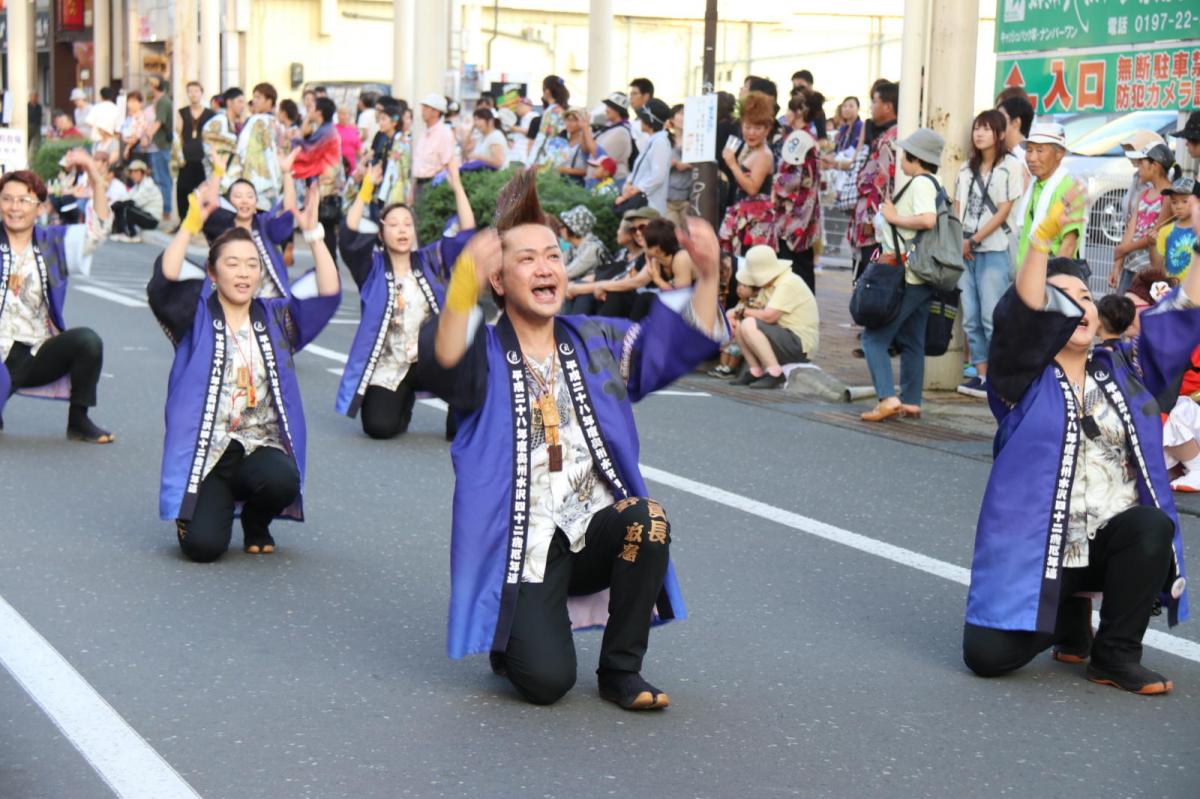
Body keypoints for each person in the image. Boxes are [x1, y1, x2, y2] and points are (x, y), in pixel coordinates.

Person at [417, 168, 724, 710]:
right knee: (547, 683)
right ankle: (513, 634)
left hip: (593, 526)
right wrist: (462, 279)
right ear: (498, 280)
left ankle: (621, 670)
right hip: (527, 547)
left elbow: (666, 348)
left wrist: (709, 277)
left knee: (646, 519)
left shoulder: (593, 338)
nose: (545, 267)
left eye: (553, 255)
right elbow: (443, 358)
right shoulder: (484, 353)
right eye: (527, 259)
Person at [962, 189, 1198, 697]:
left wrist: (1199, 246)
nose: (1078, 307)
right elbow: (1021, 317)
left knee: (1151, 526)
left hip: (1108, 540)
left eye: (1085, 298)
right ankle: (1066, 617)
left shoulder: (1125, 366)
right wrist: (1041, 242)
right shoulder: (1021, 380)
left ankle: (1114, 655)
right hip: (1040, 554)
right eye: (1061, 297)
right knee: (987, 658)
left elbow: (1181, 312)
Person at [149, 179, 340, 562]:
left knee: (285, 477)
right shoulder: (197, 313)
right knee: (204, 549)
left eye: (252, 265)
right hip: (209, 451)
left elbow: (327, 292)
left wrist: (314, 234)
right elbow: (165, 281)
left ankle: (256, 521)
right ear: (213, 272)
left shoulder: (274, 315)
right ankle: (196, 511)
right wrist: (190, 225)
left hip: (257, 444)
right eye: (232, 264)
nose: (243, 273)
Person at [335, 157, 474, 440]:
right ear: (381, 233)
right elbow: (348, 236)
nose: (402, 230)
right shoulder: (371, 268)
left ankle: (457, 407)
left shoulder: (431, 261)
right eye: (394, 225)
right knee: (379, 427)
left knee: (458, 431)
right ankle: (402, 402)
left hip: (432, 359)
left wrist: (457, 186)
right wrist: (366, 190)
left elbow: (465, 233)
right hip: (391, 364)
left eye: (407, 224)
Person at [0, 157, 113, 442]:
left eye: (24, 200)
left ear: (40, 208)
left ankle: (79, 421)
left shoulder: (53, 242)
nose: (14, 208)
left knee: (87, 341)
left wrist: (96, 181)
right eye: (7, 199)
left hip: (34, 349)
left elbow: (95, 234)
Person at [860, 128, 945, 422]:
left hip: (906, 272)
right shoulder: (936, 182)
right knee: (912, 339)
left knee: (873, 339)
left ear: (915, 157)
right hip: (924, 273)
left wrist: (893, 217)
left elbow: (927, 220)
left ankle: (887, 398)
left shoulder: (920, 183)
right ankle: (910, 401)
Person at [954, 109, 1024, 398]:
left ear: (1000, 134)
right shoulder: (964, 169)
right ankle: (982, 377)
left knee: (991, 315)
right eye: (976, 129)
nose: (979, 134)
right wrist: (961, 240)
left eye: (986, 129)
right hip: (965, 248)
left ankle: (999, 377)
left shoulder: (1011, 166)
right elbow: (957, 207)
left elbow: (1005, 210)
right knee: (970, 315)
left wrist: (975, 239)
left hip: (993, 247)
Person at [202, 150, 299, 299]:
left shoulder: (264, 225)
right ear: (229, 202)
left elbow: (288, 212)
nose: (245, 201)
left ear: (256, 202)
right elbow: (209, 207)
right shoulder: (223, 226)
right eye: (238, 196)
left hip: (267, 302)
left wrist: (287, 173)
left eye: (250, 196)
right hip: (229, 302)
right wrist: (218, 172)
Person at [726, 244, 818, 389]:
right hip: (782, 336)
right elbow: (750, 309)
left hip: (799, 344)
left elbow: (769, 317)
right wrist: (734, 315)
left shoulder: (788, 283)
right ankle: (755, 370)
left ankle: (774, 372)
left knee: (749, 323)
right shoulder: (769, 285)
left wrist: (742, 312)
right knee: (739, 324)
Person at [774, 90, 824, 293]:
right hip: (806, 207)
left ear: (797, 113)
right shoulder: (807, 137)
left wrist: (775, 183)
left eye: (789, 109)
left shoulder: (799, 138)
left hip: (794, 210)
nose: (786, 114)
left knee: (794, 261)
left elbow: (793, 178)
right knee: (802, 260)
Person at [718, 92, 777, 257]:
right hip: (742, 215)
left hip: (757, 220)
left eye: (758, 128)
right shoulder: (747, 148)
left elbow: (752, 188)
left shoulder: (764, 154)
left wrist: (732, 164)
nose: (752, 133)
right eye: (748, 127)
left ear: (767, 130)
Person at [849, 80, 898, 279]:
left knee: (869, 279)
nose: (871, 107)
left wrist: (872, 218)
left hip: (875, 223)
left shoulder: (890, 139)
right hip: (872, 220)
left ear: (888, 106)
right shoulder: (884, 135)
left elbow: (885, 182)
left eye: (874, 101)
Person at [1016, 122, 1082, 267]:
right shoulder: (1034, 184)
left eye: (1040, 151)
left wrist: (1053, 280)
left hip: (1046, 277)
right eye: (1029, 150)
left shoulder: (1068, 189)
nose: (1032, 158)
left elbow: (1069, 244)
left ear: (1059, 154)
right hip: (1027, 275)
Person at [1112, 142, 1173, 292]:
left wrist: (1123, 249)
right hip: (1130, 265)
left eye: (1141, 164)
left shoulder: (1170, 196)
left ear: (1155, 166)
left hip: (1150, 270)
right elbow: (1130, 231)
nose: (1138, 169)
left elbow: (1154, 235)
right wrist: (1117, 266)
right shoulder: (1143, 195)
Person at [220, 83, 283, 211]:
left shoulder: (258, 120)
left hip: (254, 179)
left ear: (269, 101)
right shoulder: (276, 123)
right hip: (270, 180)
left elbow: (244, 151)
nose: (254, 101)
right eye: (254, 97)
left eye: (258, 97)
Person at [617, 99, 673, 216]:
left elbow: (657, 176)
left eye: (642, 118)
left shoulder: (660, 143)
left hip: (650, 206)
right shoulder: (652, 141)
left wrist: (637, 189)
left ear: (650, 121)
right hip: (641, 202)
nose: (640, 121)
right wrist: (629, 184)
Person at [175, 81, 216, 223]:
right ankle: (184, 221)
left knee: (203, 189)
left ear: (201, 92)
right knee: (183, 189)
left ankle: (203, 221)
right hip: (186, 157)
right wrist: (178, 156)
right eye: (190, 91)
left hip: (203, 157)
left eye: (196, 91)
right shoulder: (182, 112)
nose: (193, 94)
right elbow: (177, 134)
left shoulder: (210, 114)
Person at [583, 92, 635, 187]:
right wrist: (584, 130)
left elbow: (600, 156)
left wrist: (585, 129)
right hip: (595, 181)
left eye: (610, 107)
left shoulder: (621, 132)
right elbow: (586, 149)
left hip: (608, 184)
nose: (606, 110)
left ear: (618, 110)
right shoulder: (607, 128)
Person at [412, 93, 455, 202]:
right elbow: (418, 163)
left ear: (436, 112)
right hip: (419, 184)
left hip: (434, 184)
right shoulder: (424, 133)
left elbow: (446, 163)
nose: (423, 111)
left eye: (426, 108)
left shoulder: (445, 133)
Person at [110, 160, 162, 243]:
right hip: (143, 214)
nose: (133, 175)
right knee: (119, 205)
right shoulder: (137, 185)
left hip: (152, 219)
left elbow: (135, 202)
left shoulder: (148, 185)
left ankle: (132, 235)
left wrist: (121, 203)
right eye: (132, 172)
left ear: (143, 173)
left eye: (136, 172)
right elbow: (126, 197)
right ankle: (118, 231)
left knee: (127, 208)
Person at [145, 75, 173, 221]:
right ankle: (163, 209)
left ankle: (166, 210)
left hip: (161, 145)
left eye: (150, 85)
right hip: (158, 146)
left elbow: (158, 122)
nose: (149, 88)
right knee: (161, 178)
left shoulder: (163, 101)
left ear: (154, 86)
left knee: (163, 179)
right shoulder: (161, 101)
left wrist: (146, 137)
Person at [1158, 175, 1198, 278]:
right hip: (1171, 290)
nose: (1178, 206)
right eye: (1174, 202)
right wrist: (1152, 244)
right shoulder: (1164, 231)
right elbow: (1158, 266)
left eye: (1185, 201)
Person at [202, 87, 246, 180]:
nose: (243, 106)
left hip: (231, 177)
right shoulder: (219, 121)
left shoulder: (234, 123)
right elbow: (210, 147)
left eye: (243, 102)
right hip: (220, 177)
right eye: (239, 101)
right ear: (229, 102)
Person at [561, 205, 610, 284]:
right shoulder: (573, 247)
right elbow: (557, 263)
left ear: (572, 228)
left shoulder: (592, 248)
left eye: (563, 226)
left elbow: (567, 273)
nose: (560, 229)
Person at [532, 75, 570, 166]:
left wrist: (533, 159)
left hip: (547, 156)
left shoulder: (552, 111)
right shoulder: (561, 109)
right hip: (557, 154)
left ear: (547, 91)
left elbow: (544, 136)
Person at [996, 95, 1034, 185]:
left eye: (1000, 118)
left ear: (1016, 122)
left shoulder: (1028, 158)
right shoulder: (1000, 154)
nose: (995, 123)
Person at [666, 105, 691, 228]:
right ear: (672, 118)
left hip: (687, 197)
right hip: (668, 197)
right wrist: (671, 164)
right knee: (673, 233)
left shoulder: (695, 140)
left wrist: (687, 165)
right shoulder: (665, 139)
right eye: (681, 113)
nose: (684, 116)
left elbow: (703, 164)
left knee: (688, 236)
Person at [118, 91, 150, 167]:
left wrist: (128, 148)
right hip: (126, 146)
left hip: (136, 149)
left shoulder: (141, 116)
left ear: (140, 103)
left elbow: (137, 135)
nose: (130, 104)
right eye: (129, 101)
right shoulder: (129, 117)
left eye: (133, 101)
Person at [627, 78, 655, 150]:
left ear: (646, 96)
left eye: (635, 94)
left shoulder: (651, 121)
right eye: (630, 94)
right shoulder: (637, 120)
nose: (631, 97)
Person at [335, 106, 362, 173]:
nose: (342, 116)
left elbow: (358, 149)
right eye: (340, 113)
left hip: (351, 166)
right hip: (337, 165)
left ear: (349, 115)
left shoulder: (354, 129)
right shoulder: (333, 129)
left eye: (345, 113)